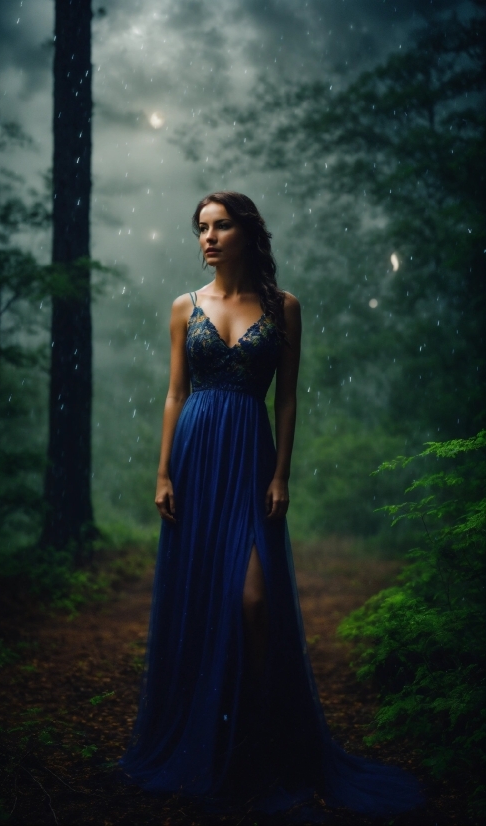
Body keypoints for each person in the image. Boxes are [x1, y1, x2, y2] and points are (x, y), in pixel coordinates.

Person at [120, 191, 422, 818]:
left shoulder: (284, 308)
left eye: (220, 226)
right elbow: (176, 394)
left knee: (256, 599)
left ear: (246, 233)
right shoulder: (184, 308)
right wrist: (162, 473)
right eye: (201, 227)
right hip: (197, 456)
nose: (207, 237)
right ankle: (208, 739)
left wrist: (282, 473)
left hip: (250, 456)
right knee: (203, 595)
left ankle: (258, 743)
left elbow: (285, 400)